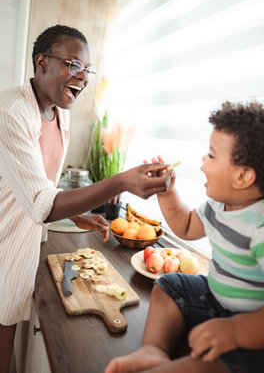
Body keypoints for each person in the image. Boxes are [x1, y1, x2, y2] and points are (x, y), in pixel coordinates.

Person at [0, 25, 171, 373]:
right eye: (73, 65)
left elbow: (42, 184)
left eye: (87, 69)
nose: (83, 77)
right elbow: (40, 202)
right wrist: (120, 181)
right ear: (42, 62)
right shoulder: (11, 112)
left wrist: (76, 215)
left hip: (23, 238)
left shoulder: (59, 113)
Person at [105, 101, 264, 373]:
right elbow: (185, 226)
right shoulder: (218, 206)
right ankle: (153, 349)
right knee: (169, 285)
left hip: (260, 330)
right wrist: (167, 192)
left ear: (243, 176)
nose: (202, 162)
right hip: (218, 301)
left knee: (228, 362)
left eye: (211, 155)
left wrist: (235, 331)